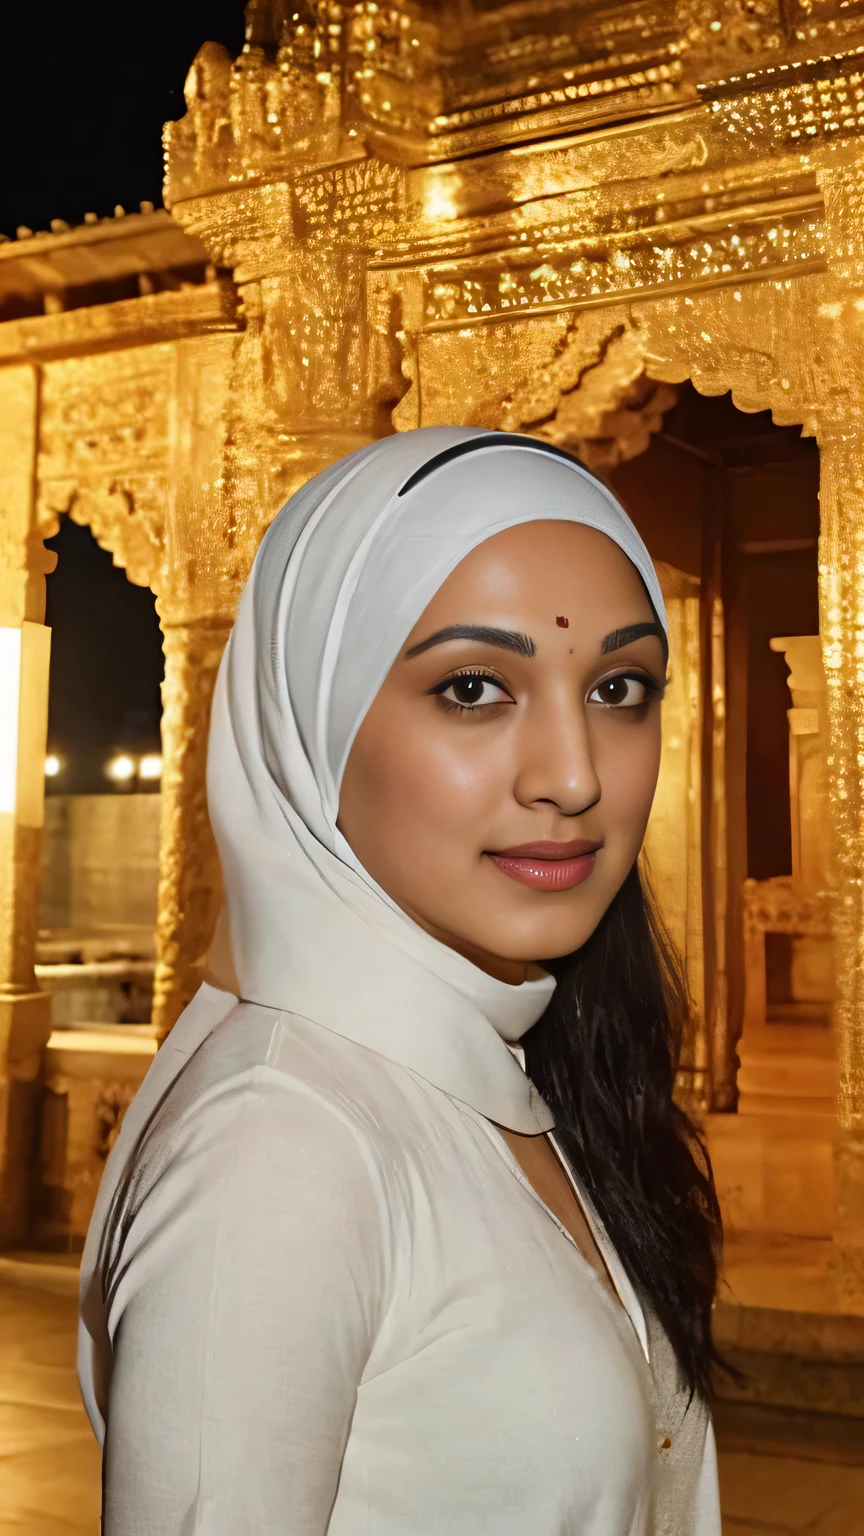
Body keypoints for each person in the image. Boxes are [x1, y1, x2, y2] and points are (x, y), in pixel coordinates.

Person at [78, 426, 723, 1535]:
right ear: (312, 724)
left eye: (620, 687)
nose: (573, 776)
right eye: (474, 687)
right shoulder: (276, 1148)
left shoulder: (505, 1067)